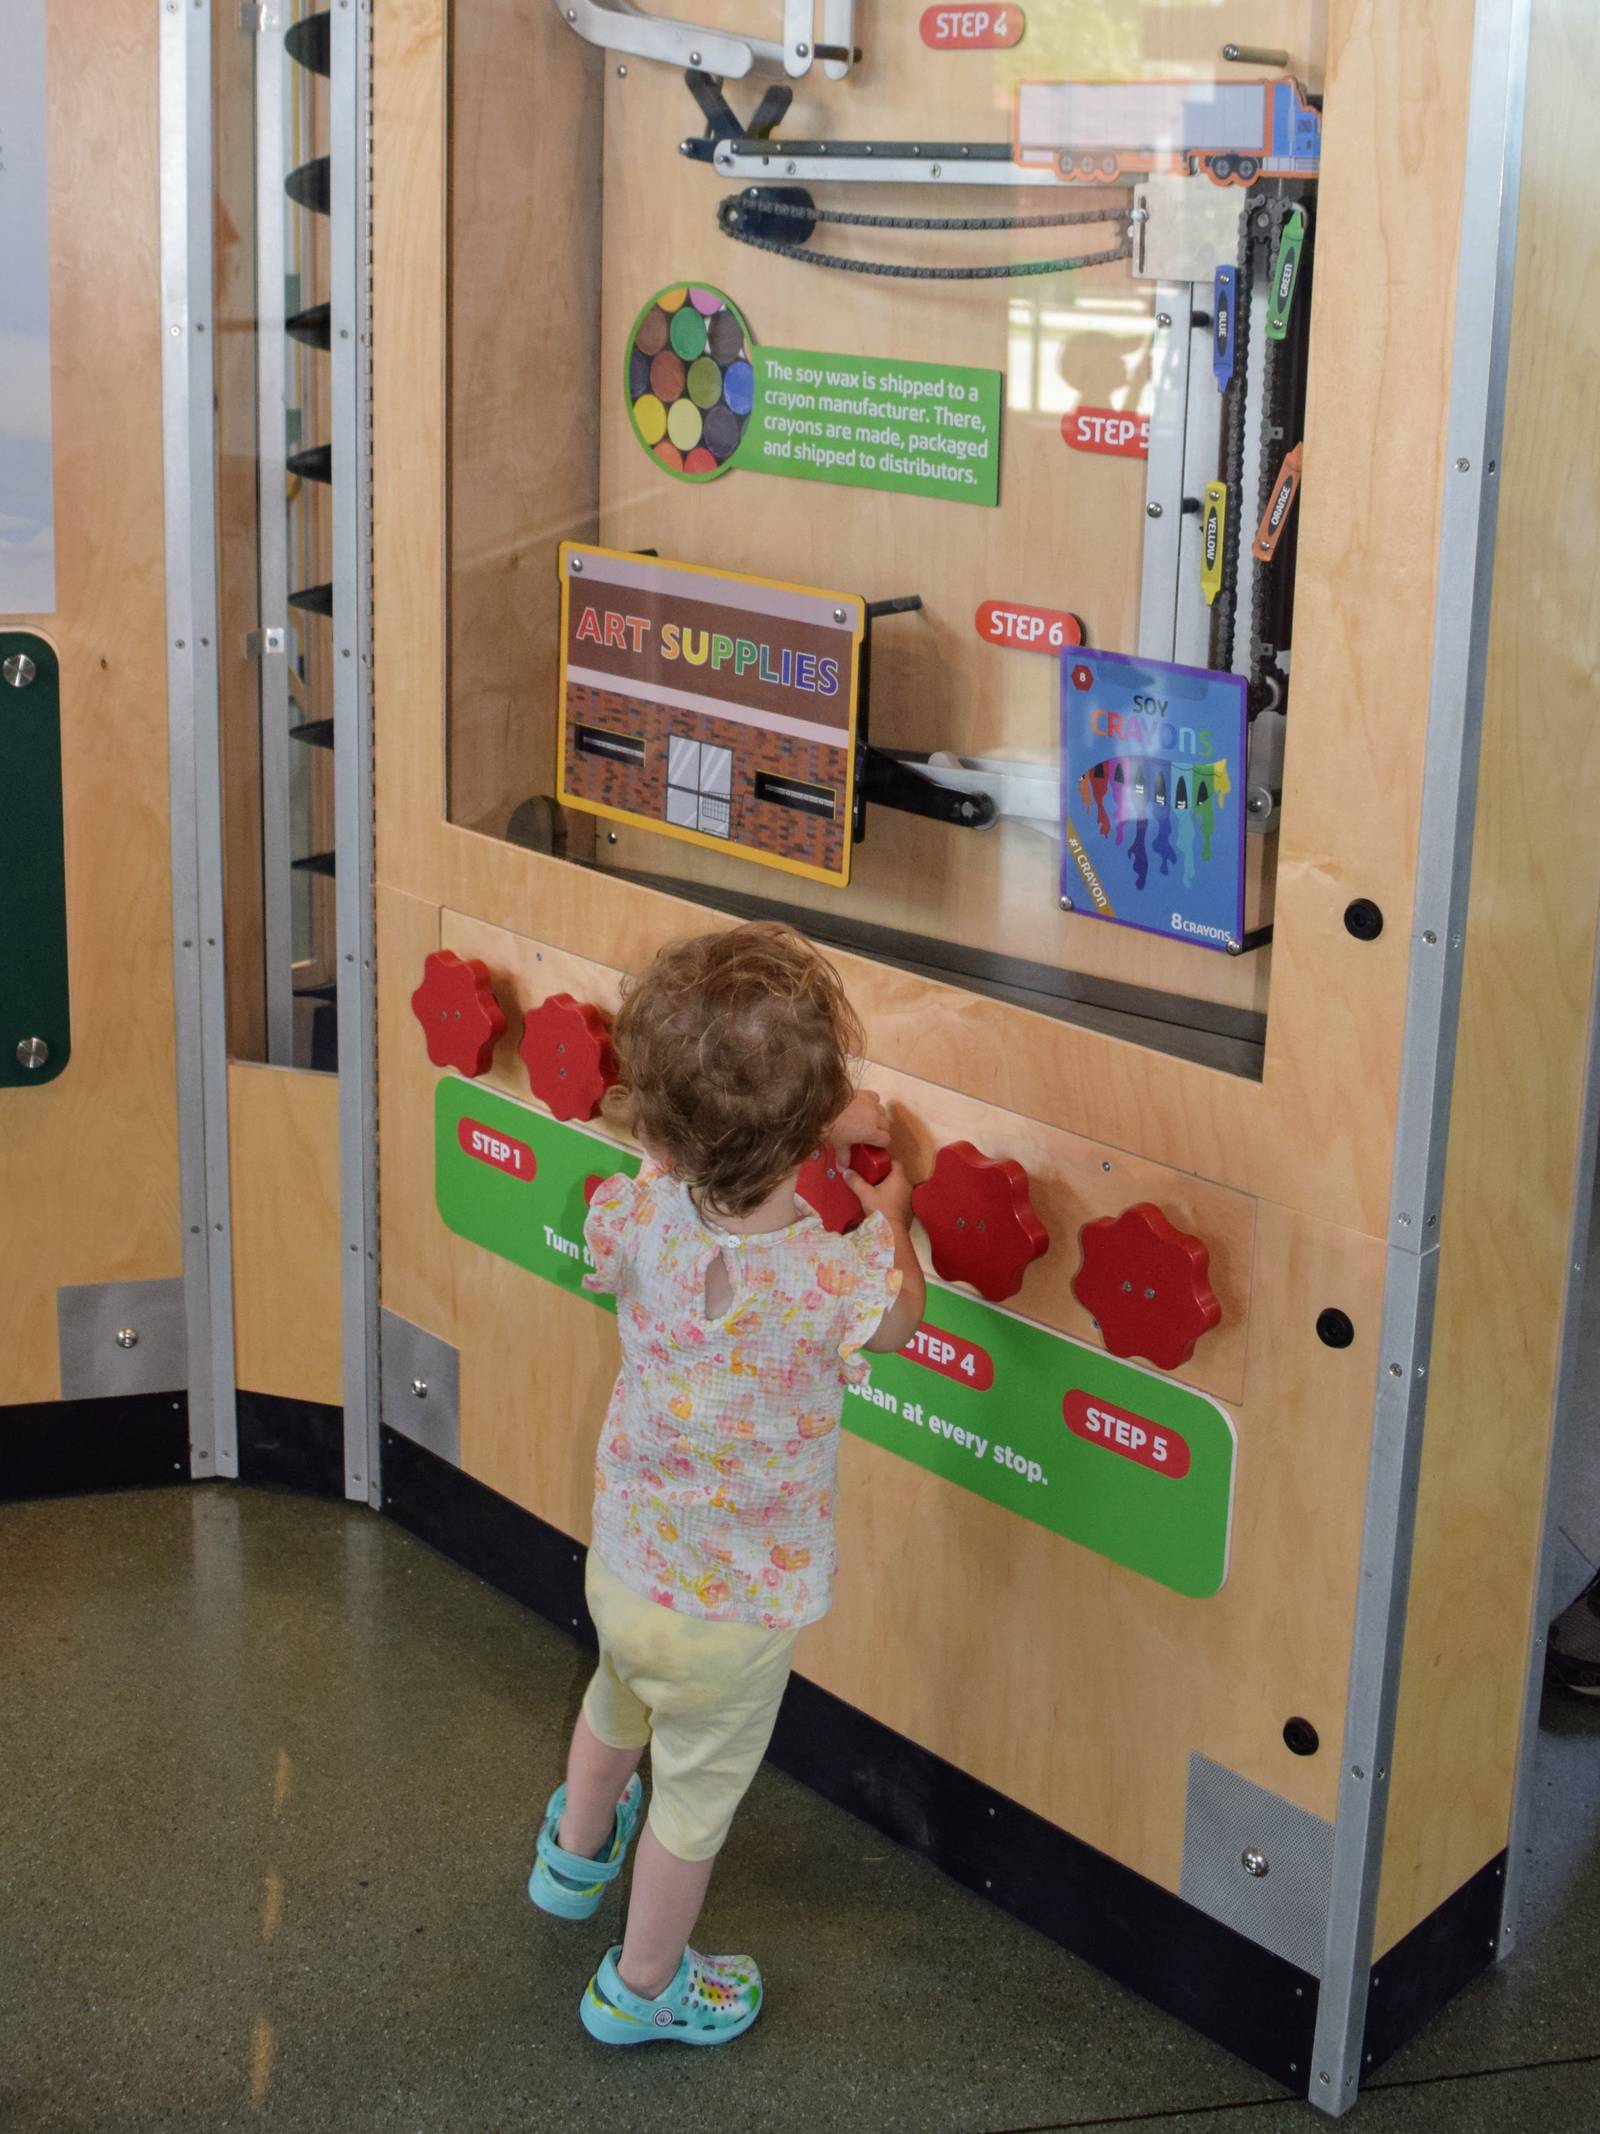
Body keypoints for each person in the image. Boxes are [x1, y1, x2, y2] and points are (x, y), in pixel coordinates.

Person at [527, 922, 925, 2046]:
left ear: (650, 1123)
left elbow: (676, 1150)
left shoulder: (636, 1210)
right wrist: (889, 1213)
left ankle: (575, 1853)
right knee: (694, 1805)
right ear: (811, 1128)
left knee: (617, 1698)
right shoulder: (829, 1273)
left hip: (628, 1566)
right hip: (735, 1615)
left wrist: (797, 1119)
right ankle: (644, 1987)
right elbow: (900, 1316)